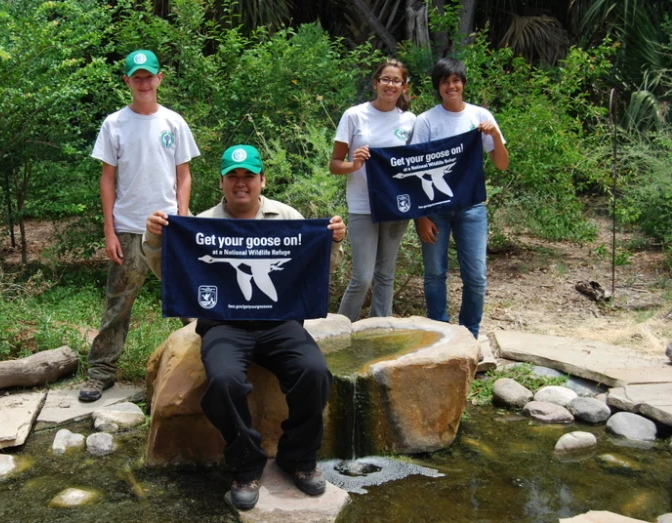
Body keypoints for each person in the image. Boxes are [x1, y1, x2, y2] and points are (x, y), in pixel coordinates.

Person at [143, 144, 345, 510]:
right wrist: (156, 239)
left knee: (314, 372)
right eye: (233, 177)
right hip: (224, 325)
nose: (241, 184)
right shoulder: (199, 225)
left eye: (248, 176)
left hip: (279, 322)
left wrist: (332, 240)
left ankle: (298, 459)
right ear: (221, 181)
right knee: (222, 382)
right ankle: (245, 465)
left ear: (262, 180)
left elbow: (317, 267)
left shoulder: (287, 217)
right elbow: (172, 275)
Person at [79, 50, 200, 402]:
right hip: (129, 227)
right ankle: (101, 372)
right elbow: (107, 179)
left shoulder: (174, 122)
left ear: (160, 78)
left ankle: (208, 361)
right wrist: (109, 230)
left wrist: (181, 218)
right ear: (127, 82)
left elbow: (184, 174)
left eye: (149, 76)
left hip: (168, 228)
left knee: (190, 301)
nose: (144, 82)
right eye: (137, 77)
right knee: (118, 305)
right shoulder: (115, 124)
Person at [411, 57, 509, 339]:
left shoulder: (481, 116)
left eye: (455, 80)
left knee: (476, 278)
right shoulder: (425, 121)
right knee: (434, 275)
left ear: (463, 84)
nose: (451, 86)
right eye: (445, 82)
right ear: (437, 87)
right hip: (435, 209)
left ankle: (470, 336)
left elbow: (502, 164)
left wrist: (495, 137)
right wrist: (420, 217)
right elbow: (416, 169)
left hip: (472, 208)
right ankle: (439, 334)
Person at [330, 58, 417, 322]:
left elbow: (417, 163)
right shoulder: (354, 115)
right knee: (363, 277)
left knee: (385, 276)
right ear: (375, 82)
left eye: (396, 81)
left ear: (404, 87)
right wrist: (355, 164)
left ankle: (381, 332)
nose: (390, 85)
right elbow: (334, 165)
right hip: (363, 205)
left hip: (395, 205)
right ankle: (339, 329)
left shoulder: (411, 121)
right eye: (385, 79)